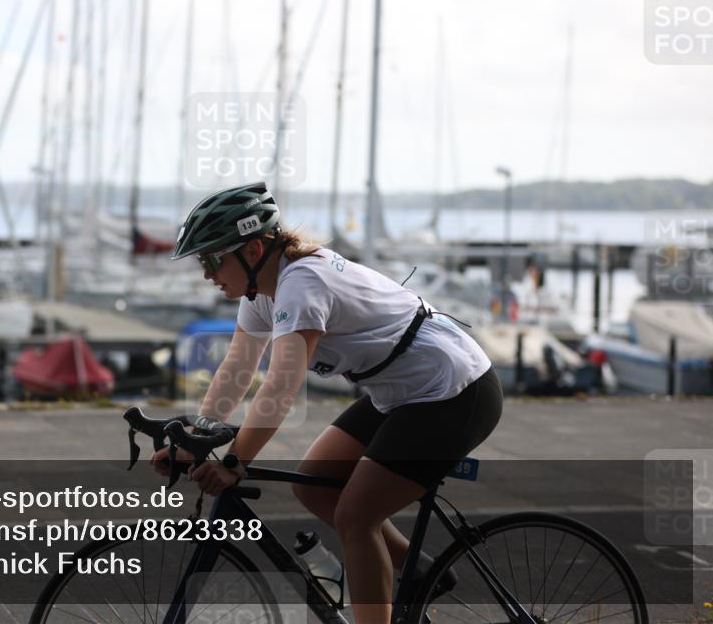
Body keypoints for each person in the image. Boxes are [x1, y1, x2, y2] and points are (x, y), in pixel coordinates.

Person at [151, 181, 503, 623]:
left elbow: (280, 387)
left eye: (210, 258)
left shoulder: (302, 284)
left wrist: (235, 462)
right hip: (400, 389)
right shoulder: (262, 292)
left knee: (357, 516)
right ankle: (420, 574)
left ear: (254, 251)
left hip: (454, 389)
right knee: (314, 484)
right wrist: (195, 439)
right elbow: (237, 371)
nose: (206, 273)